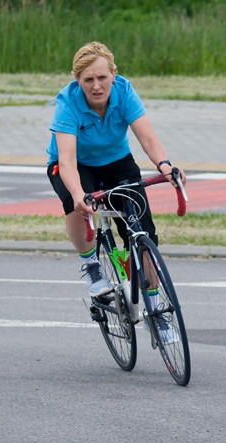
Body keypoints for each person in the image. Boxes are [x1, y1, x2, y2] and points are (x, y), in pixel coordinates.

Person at [45, 41, 187, 300]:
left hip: (116, 160)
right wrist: (78, 195)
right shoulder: (68, 102)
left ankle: (155, 304)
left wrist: (165, 165)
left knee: (141, 228)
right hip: (76, 164)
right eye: (88, 79)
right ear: (77, 79)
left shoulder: (124, 91)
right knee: (77, 205)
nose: (96, 86)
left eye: (102, 77)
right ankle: (92, 266)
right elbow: (66, 161)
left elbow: (147, 138)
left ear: (114, 74)